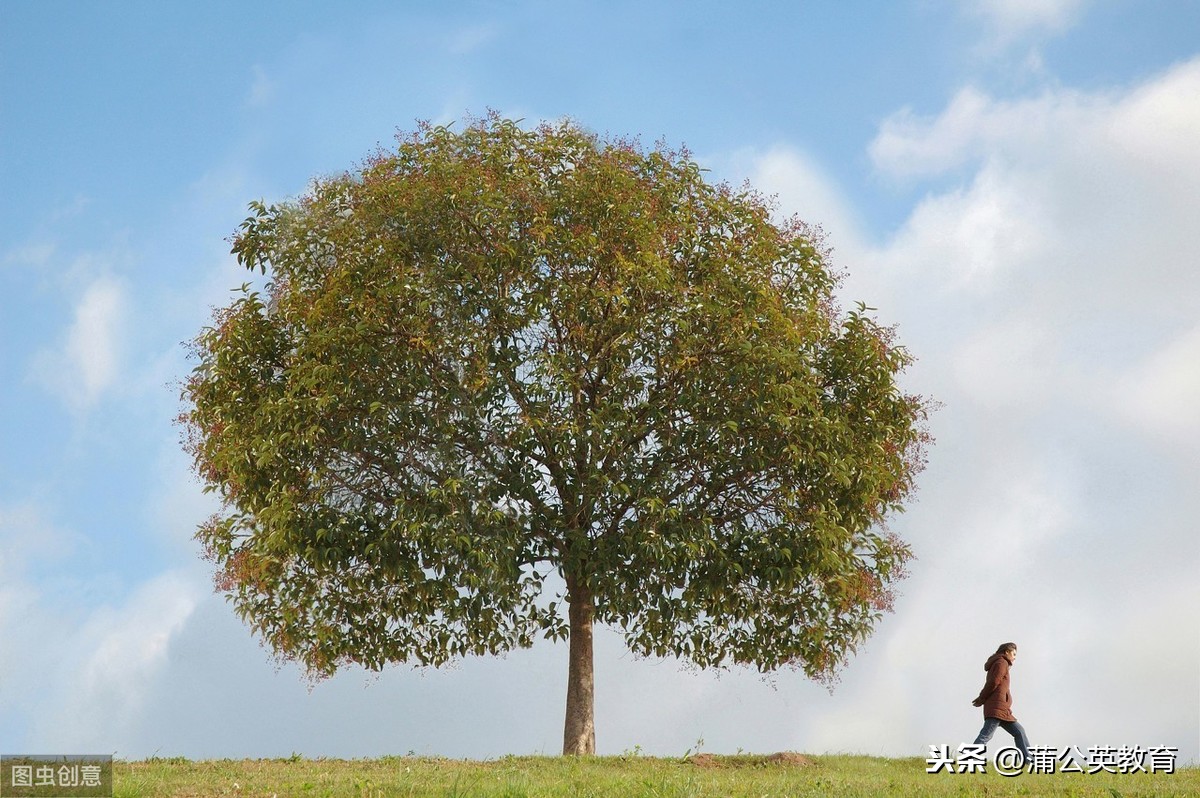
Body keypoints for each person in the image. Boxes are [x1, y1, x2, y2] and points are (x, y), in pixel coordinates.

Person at [971, 642, 1030, 762]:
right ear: (1006, 652)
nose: (1015, 657)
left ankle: (1029, 762)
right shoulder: (1001, 662)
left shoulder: (1000, 662)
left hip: (1001, 708)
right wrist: (982, 698)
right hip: (997, 707)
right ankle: (969, 758)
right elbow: (993, 682)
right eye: (1013, 654)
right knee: (986, 735)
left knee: (1019, 732)